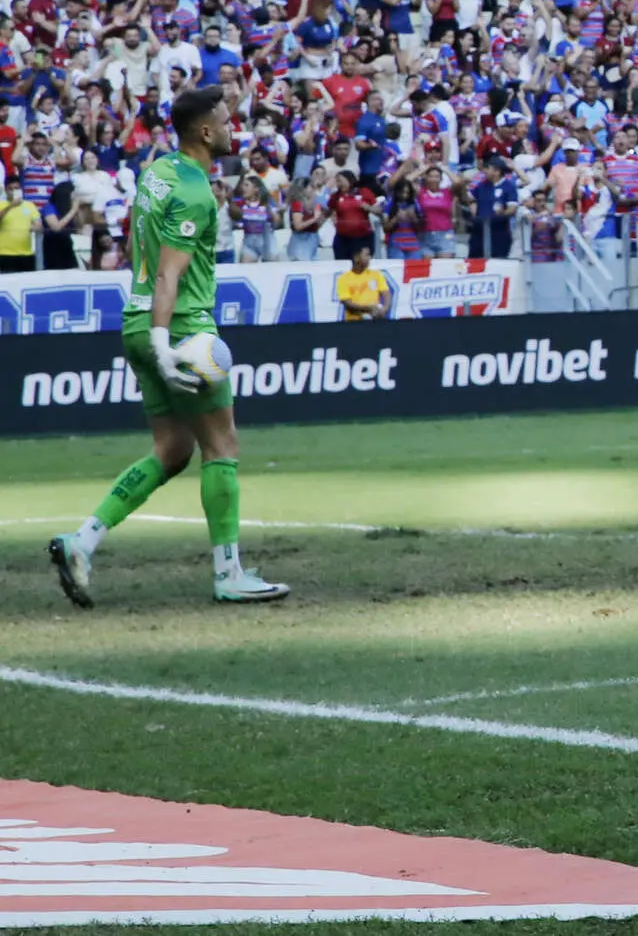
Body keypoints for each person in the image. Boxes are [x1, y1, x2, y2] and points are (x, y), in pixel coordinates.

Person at [48, 86, 290, 608]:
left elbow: (137, 244)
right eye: (226, 121)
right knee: (222, 447)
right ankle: (229, 573)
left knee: (173, 449)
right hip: (178, 327)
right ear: (205, 131)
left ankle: (80, 542)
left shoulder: (156, 171)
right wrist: (165, 344)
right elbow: (167, 274)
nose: (233, 128)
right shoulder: (197, 193)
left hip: (135, 323)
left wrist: (151, 336)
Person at [336, 244, 392, 321]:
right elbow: (346, 302)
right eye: (367, 255)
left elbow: (386, 293)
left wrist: (385, 309)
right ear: (356, 258)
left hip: (375, 319)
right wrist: (368, 309)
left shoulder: (376, 275)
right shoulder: (343, 279)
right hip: (353, 321)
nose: (370, 258)